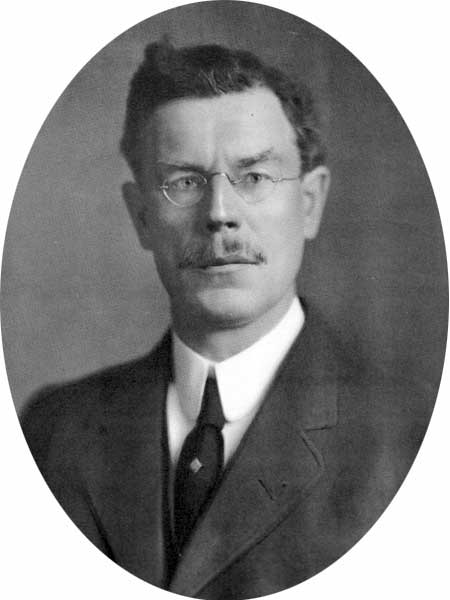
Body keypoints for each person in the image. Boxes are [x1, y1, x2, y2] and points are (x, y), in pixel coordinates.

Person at [21, 40, 431, 599]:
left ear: (310, 203)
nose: (219, 214)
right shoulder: (54, 433)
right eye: (185, 182)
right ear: (141, 217)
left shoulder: (410, 442)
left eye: (254, 177)